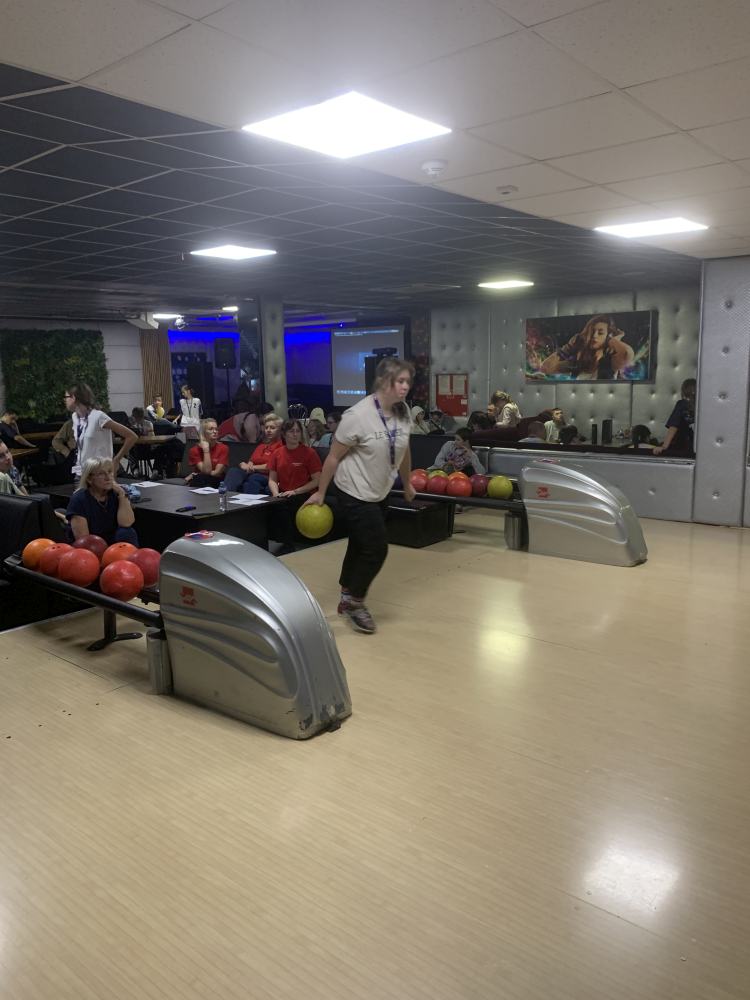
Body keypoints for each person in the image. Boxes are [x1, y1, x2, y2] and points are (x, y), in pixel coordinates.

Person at [304, 357, 415, 635]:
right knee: (376, 548)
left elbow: (403, 449)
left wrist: (407, 483)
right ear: (384, 381)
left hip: (379, 490)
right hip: (353, 490)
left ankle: (346, 593)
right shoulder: (357, 415)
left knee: (359, 543)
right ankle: (356, 602)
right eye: (400, 381)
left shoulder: (403, 412)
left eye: (408, 381)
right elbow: (332, 458)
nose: (405, 386)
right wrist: (320, 493)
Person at [64, 383, 136, 479]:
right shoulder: (75, 417)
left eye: (66, 397)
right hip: (82, 472)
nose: (65, 400)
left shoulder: (98, 416)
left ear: (73, 398)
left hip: (100, 474)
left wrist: (116, 460)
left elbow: (131, 436)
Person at [65, 458, 138, 546]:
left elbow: (126, 523)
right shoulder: (79, 499)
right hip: (90, 545)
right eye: (101, 474)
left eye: (110, 472)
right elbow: (83, 540)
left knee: (127, 532)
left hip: (111, 542)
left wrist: (122, 493)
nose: (108, 477)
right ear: (89, 479)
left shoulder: (115, 493)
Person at [542, 315, 635, 380]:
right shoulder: (577, 363)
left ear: (609, 336)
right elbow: (546, 368)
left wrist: (613, 340)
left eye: (600, 333)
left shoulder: (611, 363)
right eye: (592, 332)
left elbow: (626, 353)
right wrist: (567, 348)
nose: (594, 336)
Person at [223, 413, 283, 494]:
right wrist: (246, 466)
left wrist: (252, 467)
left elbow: (270, 467)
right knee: (234, 471)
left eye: (272, 428)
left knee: (253, 478)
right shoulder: (261, 446)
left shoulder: (281, 447)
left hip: (268, 476)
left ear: (280, 430)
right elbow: (251, 461)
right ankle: (224, 496)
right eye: (266, 428)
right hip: (252, 472)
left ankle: (248, 502)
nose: (268, 430)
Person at [653, 378, 696, 456]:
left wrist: (664, 446)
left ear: (684, 391)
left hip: (686, 448)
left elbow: (673, 426)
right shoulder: (704, 405)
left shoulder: (682, 404)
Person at [185, 418, 229, 487]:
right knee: (201, 479)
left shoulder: (224, 448)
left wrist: (195, 474)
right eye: (211, 429)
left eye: (216, 429)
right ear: (203, 432)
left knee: (203, 478)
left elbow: (216, 473)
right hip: (201, 481)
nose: (215, 431)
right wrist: (206, 450)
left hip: (217, 481)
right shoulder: (194, 450)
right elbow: (207, 471)